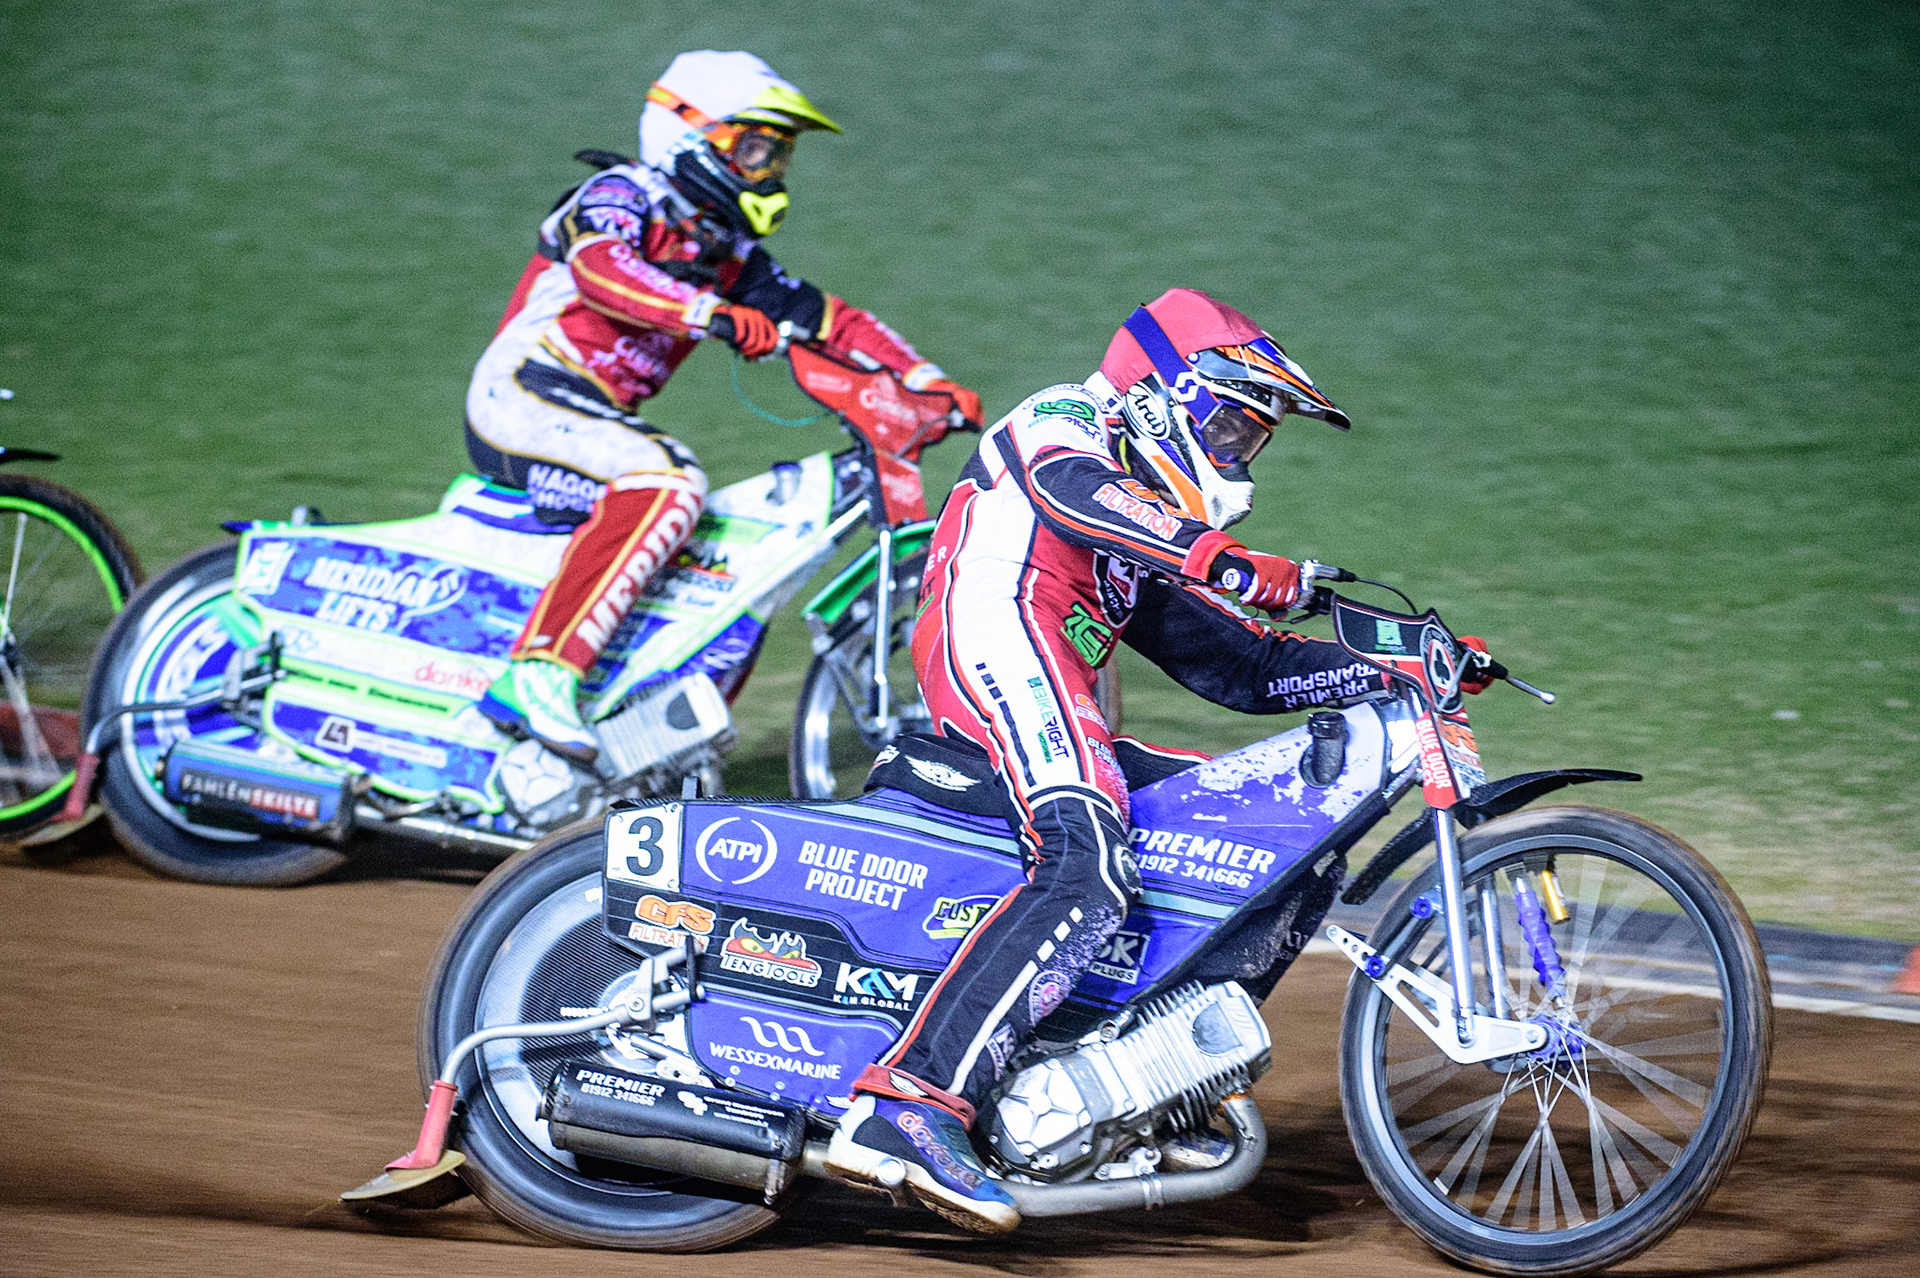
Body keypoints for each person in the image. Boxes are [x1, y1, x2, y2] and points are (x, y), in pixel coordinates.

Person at [824, 288, 1491, 1232]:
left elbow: (1244, 667)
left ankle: (1140, 1080)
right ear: (1162, 396)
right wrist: (1228, 561)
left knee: (1285, 845)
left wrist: (1398, 660)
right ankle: (908, 1107)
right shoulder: (1067, 420)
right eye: (1231, 429)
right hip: (996, 643)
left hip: (1056, 677)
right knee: (1087, 865)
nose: (1239, 460)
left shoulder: (1138, 536)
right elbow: (1074, 492)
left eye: (1253, 442)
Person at [466, 50, 981, 762]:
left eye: (779, 155)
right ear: (688, 135)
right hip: (526, 392)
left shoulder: (724, 248)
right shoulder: (622, 194)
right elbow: (602, 269)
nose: (769, 171)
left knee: (718, 551)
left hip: (591, 417)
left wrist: (925, 379)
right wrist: (708, 311)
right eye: (755, 148)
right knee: (668, 481)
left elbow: (831, 321)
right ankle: (538, 674)